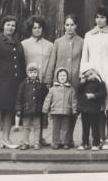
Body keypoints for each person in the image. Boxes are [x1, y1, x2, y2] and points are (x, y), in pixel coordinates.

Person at [80, 5, 108, 150]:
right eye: (97, 17)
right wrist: (84, 75)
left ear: (107, 19)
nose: (99, 20)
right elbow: (84, 57)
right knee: (97, 107)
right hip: (94, 75)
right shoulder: (88, 35)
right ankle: (100, 138)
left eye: (102, 17)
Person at [0, 15, 26, 151]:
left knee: (9, 111)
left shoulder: (18, 43)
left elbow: (21, 63)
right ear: (3, 26)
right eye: (8, 24)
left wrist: (23, 81)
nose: (11, 27)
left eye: (13, 25)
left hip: (13, 84)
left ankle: (6, 139)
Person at [44, 14, 84, 147]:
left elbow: (84, 61)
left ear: (76, 26)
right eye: (67, 25)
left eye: (72, 24)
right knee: (58, 113)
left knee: (72, 111)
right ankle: (57, 139)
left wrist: (83, 77)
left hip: (75, 82)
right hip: (59, 83)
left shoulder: (82, 42)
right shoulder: (58, 42)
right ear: (64, 26)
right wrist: (49, 80)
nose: (69, 27)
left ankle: (68, 139)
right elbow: (52, 62)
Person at [20, 15, 53, 145]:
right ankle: (26, 138)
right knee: (28, 111)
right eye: (34, 28)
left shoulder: (50, 45)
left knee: (41, 111)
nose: (37, 30)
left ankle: (39, 138)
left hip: (43, 82)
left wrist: (48, 80)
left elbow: (51, 64)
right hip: (29, 83)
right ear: (30, 29)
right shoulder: (24, 44)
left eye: (39, 27)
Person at [42, 68, 78, 149]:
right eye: (60, 75)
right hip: (55, 111)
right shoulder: (53, 89)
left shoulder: (71, 89)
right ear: (57, 77)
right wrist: (45, 109)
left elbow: (74, 101)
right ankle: (55, 142)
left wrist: (74, 110)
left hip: (66, 111)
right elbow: (48, 99)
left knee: (65, 128)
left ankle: (65, 142)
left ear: (67, 77)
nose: (62, 77)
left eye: (64, 75)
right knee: (56, 128)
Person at [15, 63, 48, 150]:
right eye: (30, 72)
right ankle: (25, 142)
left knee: (37, 127)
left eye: (34, 72)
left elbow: (45, 96)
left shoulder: (41, 84)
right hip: (26, 109)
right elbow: (19, 97)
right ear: (27, 73)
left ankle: (37, 142)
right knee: (26, 126)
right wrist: (18, 108)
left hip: (37, 110)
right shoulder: (23, 84)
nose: (32, 74)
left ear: (37, 73)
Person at [77, 64, 107, 151]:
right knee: (85, 128)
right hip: (84, 109)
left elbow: (103, 94)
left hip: (94, 109)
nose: (89, 76)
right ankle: (85, 143)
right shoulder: (84, 83)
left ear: (95, 73)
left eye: (91, 74)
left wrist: (94, 95)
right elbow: (79, 92)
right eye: (87, 75)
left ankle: (96, 143)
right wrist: (82, 83)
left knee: (95, 127)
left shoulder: (100, 83)